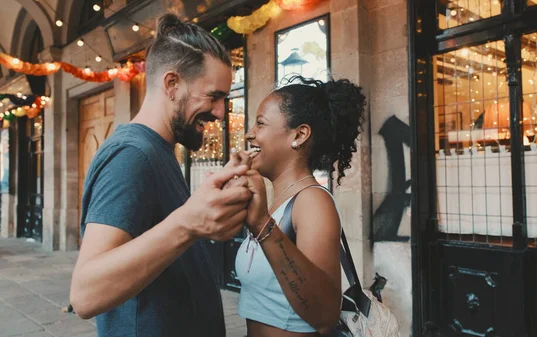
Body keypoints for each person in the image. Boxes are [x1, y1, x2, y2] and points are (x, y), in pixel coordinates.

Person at [69, 14, 252, 337]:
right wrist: (188, 223)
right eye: (214, 96)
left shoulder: (158, 150)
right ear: (171, 84)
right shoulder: (132, 155)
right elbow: (86, 294)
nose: (222, 113)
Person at [234, 75, 367, 337]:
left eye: (260, 123)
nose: (249, 134)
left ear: (299, 135)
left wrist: (262, 225)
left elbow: (325, 316)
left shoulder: (312, 202)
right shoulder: (275, 204)